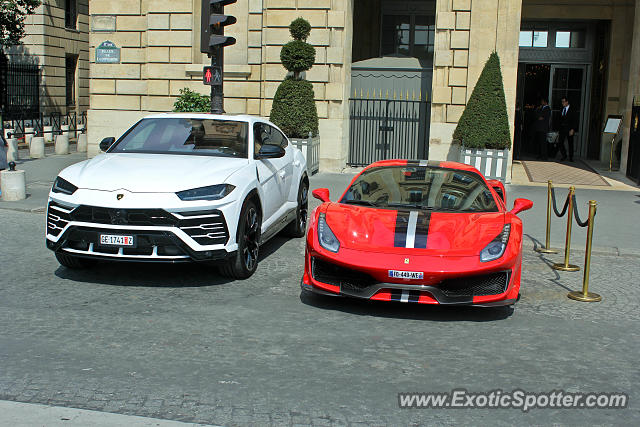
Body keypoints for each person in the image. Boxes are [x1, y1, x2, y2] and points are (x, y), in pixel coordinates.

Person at [557, 96, 578, 162]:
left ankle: (571, 157)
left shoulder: (572, 109)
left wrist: (573, 129)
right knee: (560, 142)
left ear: (567, 102)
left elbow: (575, 120)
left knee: (570, 143)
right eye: (562, 102)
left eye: (563, 102)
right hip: (562, 129)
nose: (562, 103)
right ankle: (564, 155)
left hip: (569, 129)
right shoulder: (561, 109)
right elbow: (559, 119)